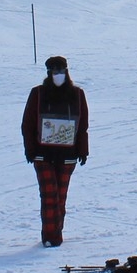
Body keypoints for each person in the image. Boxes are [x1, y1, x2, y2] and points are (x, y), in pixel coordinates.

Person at [20, 55, 88, 246]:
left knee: (60, 198)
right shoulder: (38, 94)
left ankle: (55, 233)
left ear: (67, 71)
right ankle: (51, 238)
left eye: (62, 71)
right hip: (43, 154)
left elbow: (82, 125)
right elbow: (27, 123)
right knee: (49, 196)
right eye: (54, 71)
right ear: (49, 73)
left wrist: (83, 150)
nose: (58, 75)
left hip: (68, 155)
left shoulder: (77, 94)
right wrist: (30, 150)